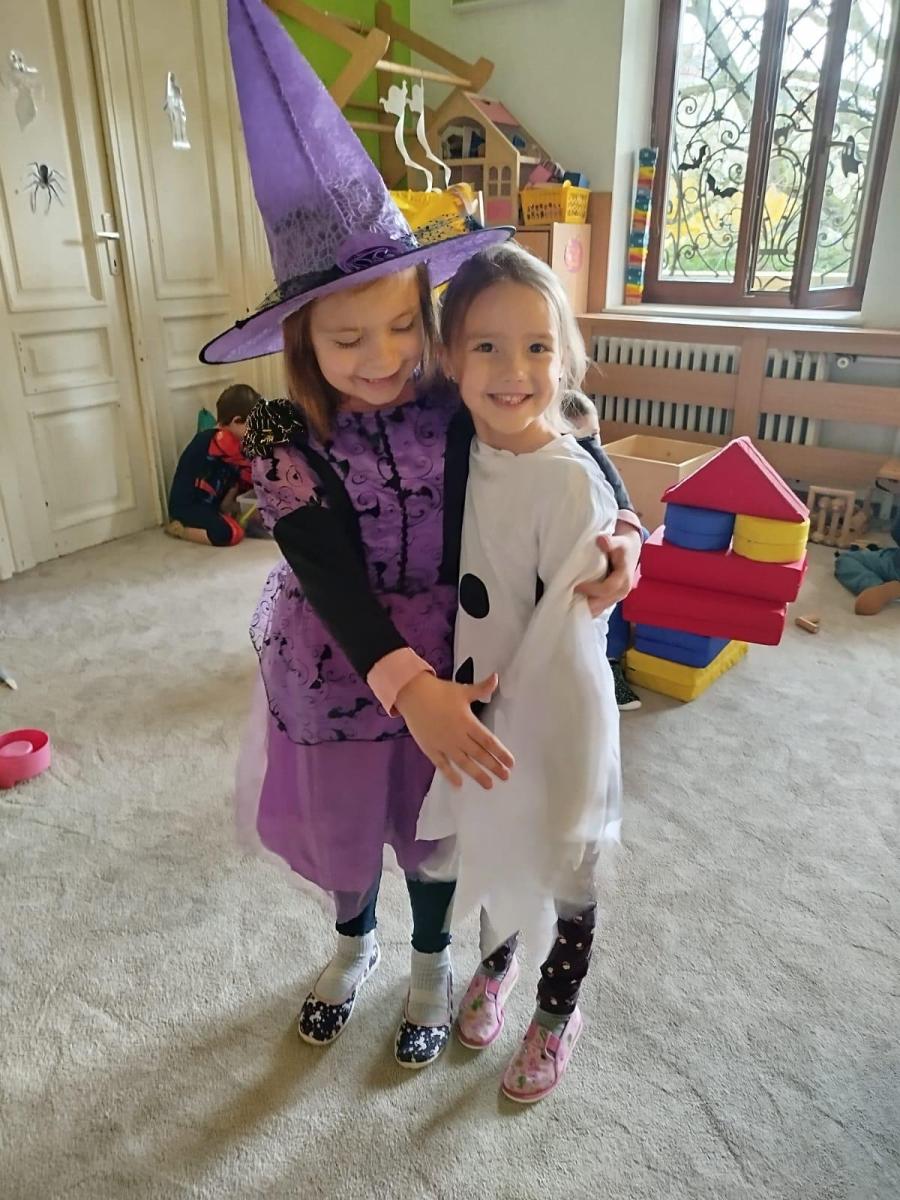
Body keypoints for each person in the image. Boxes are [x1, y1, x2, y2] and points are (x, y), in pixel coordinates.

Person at [206, 0, 642, 1069]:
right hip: (345, 658)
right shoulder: (282, 437)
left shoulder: (453, 394)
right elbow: (331, 581)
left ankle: (434, 963)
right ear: (302, 340)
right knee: (349, 823)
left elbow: (567, 434)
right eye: (348, 338)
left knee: (436, 823)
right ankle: (354, 943)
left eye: (405, 324)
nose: (383, 356)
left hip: (460, 645)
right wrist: (409, 687)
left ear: (431, 314)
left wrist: (626, 527)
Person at [418, 243, 625, 1102]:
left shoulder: (569, 482)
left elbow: (571, 639)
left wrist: (627, 534)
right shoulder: (454, 443)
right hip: (487, 704)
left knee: (566, 863)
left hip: (559, 712)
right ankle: (497, 965)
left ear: (564, 357)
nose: (513, 371)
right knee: (493, 843)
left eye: (537, 347)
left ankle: (557, 1011)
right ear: (449, 359)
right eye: (487, 347)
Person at [561, 391, 643, 710]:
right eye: (579, 440)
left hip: (608, 539)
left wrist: (630, 534)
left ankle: (612, 657)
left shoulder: (597, 464)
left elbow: (622, 501)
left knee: (637, 543)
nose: (593, 449)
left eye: (595, 437)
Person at [165, 383, 258, 547]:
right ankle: (180, 529)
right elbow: (246, 465)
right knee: (230, 533)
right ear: (236, 421)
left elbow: (235, 477)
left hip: (213, 504)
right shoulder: (215, 441)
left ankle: (225, 514)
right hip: (189, 507)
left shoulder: (234, 442)